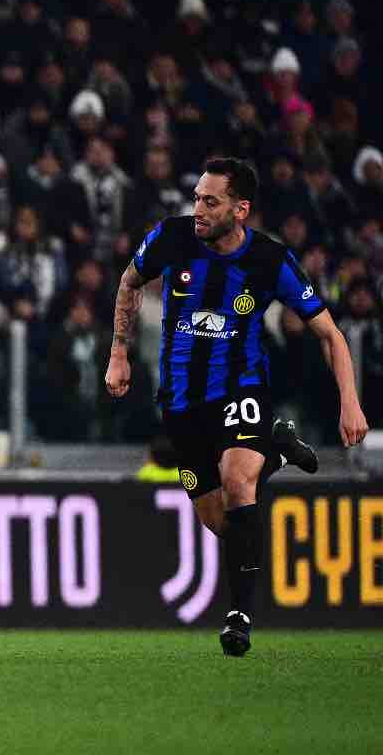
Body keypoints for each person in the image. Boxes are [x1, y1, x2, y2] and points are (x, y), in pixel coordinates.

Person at [105, 157, 368, 657]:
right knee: (221, 519)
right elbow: (128, 283)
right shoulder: (171, 237)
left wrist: (349, 401)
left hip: (240, 390)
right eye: (197, 199)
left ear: (240, 209)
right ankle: (280, 450)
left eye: (211, 201)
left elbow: (330, 334)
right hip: (181, 401)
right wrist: (119, 351)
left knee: (238, 482)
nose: (199, 210)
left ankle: (239, 617)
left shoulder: (270, 259)